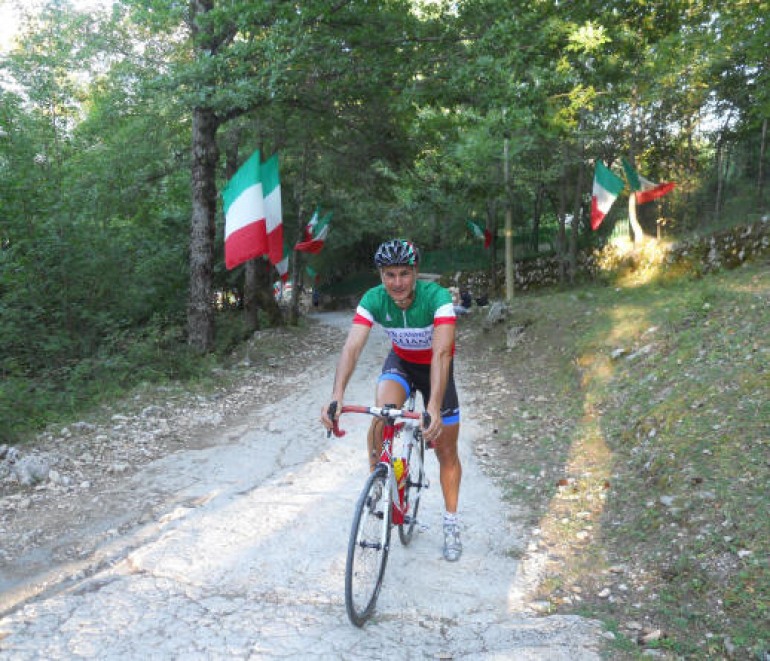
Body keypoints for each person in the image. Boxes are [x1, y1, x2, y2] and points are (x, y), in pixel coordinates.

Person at [320, 239, 463, 561]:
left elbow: (441, 353)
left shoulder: (436, 298)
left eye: (404, 274)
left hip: (436, 370)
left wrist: (434, 407)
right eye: (389, 275)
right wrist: (336, 396)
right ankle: (379, 481)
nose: (397, 283)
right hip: (400, 364)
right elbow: (352, 347)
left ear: (415, 273)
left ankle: (451, 521)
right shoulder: (373, 299)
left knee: (447, 451)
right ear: (381, 276)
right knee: (382, 416)